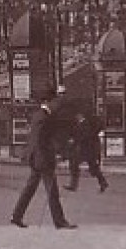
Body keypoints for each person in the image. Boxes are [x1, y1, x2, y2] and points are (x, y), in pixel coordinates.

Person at [10, 86, 74, 229]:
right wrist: (50, 155)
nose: (56, 104)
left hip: (36, 157)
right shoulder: (44, 117)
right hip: (42, 158)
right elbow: (40, 139)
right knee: (52, 191)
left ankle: (16, 216)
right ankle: (59, 221)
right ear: (48, 101)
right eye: (54, 101)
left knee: (30, 188)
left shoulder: (38, 115)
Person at [65, 112, 108, 193]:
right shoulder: (81, 124)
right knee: (78, 166)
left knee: (88, 167)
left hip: (86, 150)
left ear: (81, 115)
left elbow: (84, 136)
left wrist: (74, 140)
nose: (76, 117)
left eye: (77, 115)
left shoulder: (85, 124)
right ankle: (102, 182)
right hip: (85, 150)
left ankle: (102, 182)